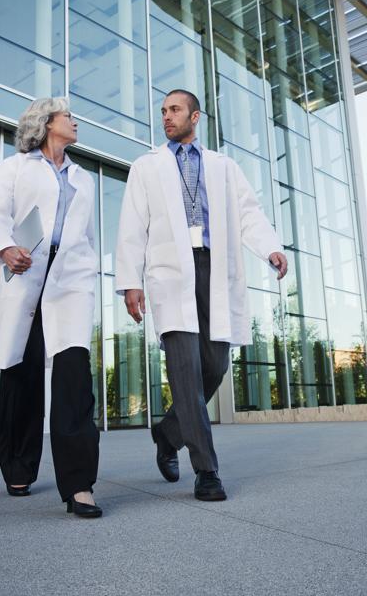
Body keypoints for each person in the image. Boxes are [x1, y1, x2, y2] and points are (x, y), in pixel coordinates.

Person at [114, 89, 287, 501]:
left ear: (195, 116)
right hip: (171, 274)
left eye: (174, 110)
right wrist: (131, 282)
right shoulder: (147, 167)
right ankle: (207, 471)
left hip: (214, 269)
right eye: (163, 112)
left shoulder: (223, 166)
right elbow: (131, 227)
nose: (167, 117)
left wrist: (271, 247)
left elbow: (248, 212)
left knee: (215, 365)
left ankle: (168, 432)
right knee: (186, 373)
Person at [0, 97, 101, 518]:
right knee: (23, 374)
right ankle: (19, 467)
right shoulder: (15, 167)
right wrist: (7, 248)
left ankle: (80, 485)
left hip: (70, 281)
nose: (74, 121)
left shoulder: (84, 179)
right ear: (47, 123)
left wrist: (89, 272)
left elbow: (87, 235)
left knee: (73, 379)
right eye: (68, 116)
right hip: (28, 274)